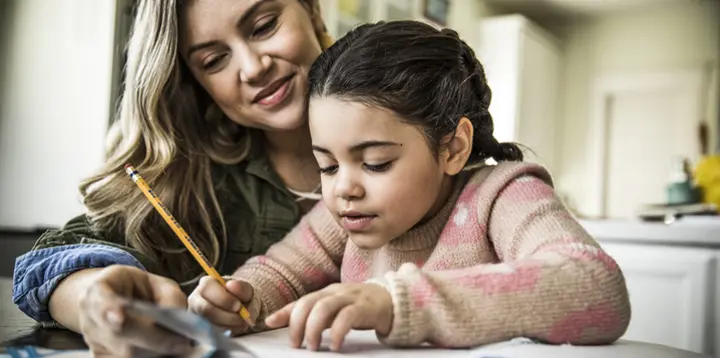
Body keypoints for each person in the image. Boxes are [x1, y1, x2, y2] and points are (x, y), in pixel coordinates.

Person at [188, 20, 632, 351]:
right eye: (325, 166)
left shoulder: (502, 195)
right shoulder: (344, 216)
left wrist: (396, 302)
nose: (344, 188)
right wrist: (241, 298)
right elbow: (279, 273)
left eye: (376, 163)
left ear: (453, 147)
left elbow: (596, 286)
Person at [12, 0, 333, 356]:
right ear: (195, 81)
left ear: (312, 9)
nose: (253, 68)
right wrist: (96, 300)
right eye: (213, 61)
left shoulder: (405, 108)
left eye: (263, 27)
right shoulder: (195, 185)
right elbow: (45, 262)